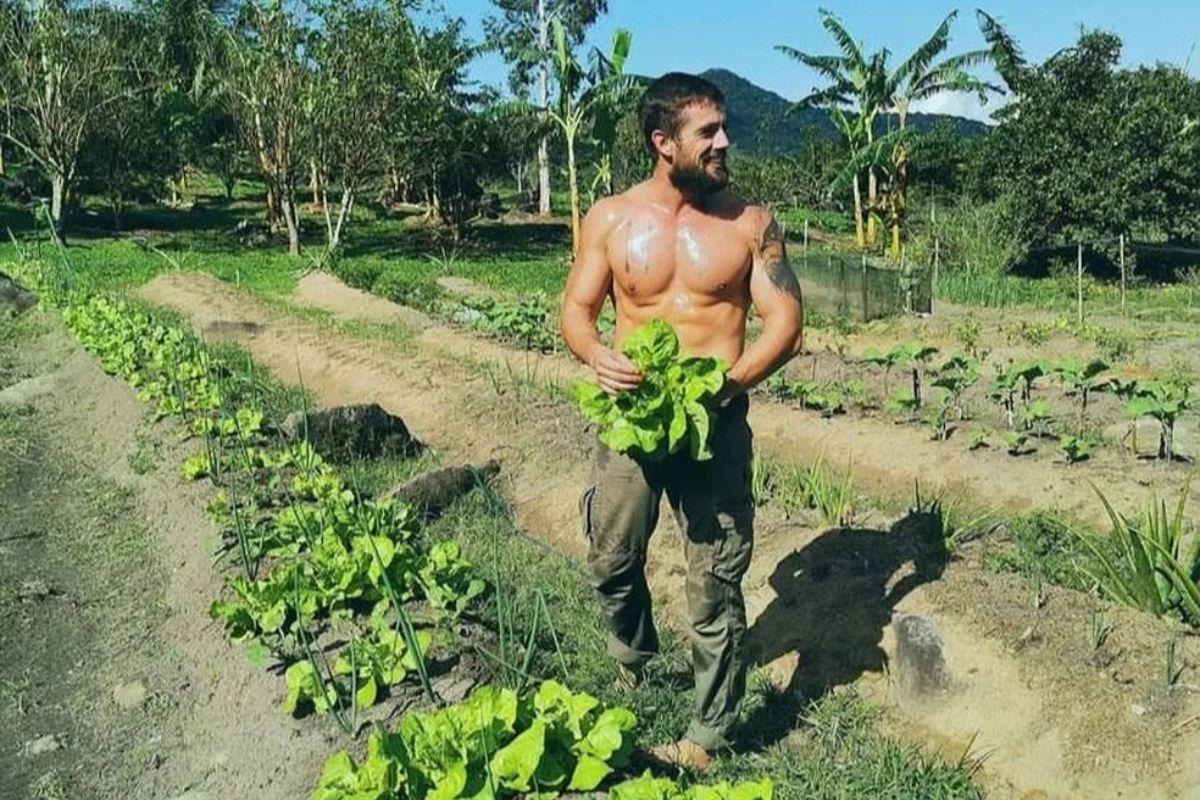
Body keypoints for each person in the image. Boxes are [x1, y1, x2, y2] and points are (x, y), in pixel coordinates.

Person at [559, 72, 804, 769]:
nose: (725, 142)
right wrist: (598, 355)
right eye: (709, 133)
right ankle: (633, 655)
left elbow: (785, 323)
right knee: (611, 557)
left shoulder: (751, 224)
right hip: (634, 421)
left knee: (714, 579)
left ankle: (710, 733)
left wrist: (726, 386)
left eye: (724, 128)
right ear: (663, 143)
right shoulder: (610, 218)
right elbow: (576, 311)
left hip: (714, 427)